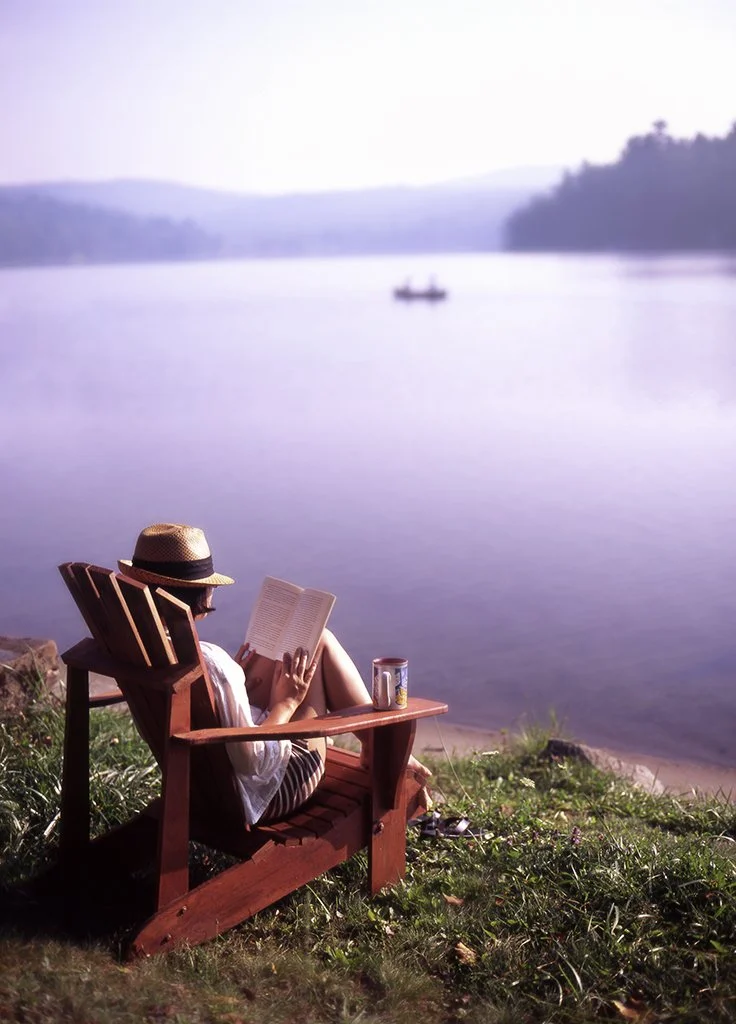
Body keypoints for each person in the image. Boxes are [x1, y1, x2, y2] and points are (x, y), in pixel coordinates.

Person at [118, 522, 430, 825]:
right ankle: (383, 750)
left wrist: (232, 683)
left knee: (286, 651)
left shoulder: (139, 647)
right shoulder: (213, 664)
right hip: (261, 793)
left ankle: (376, 745)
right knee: (318, 643)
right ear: (200, 591)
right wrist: (286, 704)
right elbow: (253, 762)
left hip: (198, 780)